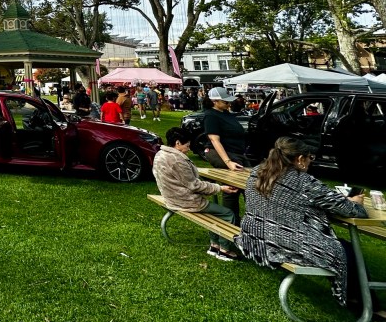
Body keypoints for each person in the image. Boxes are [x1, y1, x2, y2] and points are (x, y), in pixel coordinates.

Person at [237, 137, 371, 308]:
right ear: (300, 159)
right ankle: (364, 303)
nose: (310, 162)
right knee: (346, 251)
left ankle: (359, 299)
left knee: (345, 248)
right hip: (284, 242)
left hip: (255, 235)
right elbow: (352, 211)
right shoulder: (304, 182)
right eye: (310, 158)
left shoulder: (258, 171)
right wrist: (356, 202)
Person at [153, 128, 240, 261]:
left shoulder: (160, 154)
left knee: (214, 212)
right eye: (187, 146)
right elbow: (195, 185)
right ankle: (224, 250)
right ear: (177, 143)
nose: (188, 149)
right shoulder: (177, 160)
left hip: (171, 197)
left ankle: (214, 245)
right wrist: (221, 188)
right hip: (186, 201)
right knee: (228, 214)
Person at [203, 86, 251, 218]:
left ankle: (248, 219)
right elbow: (214, 140)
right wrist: (228, 162)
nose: (228, 103)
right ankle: (231, 220)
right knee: (233, 185)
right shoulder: (211, 115)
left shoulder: (226, 113)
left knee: (249, 182)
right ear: (215, 101)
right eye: (225, 101)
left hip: (236, 152)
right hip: (221, 152)